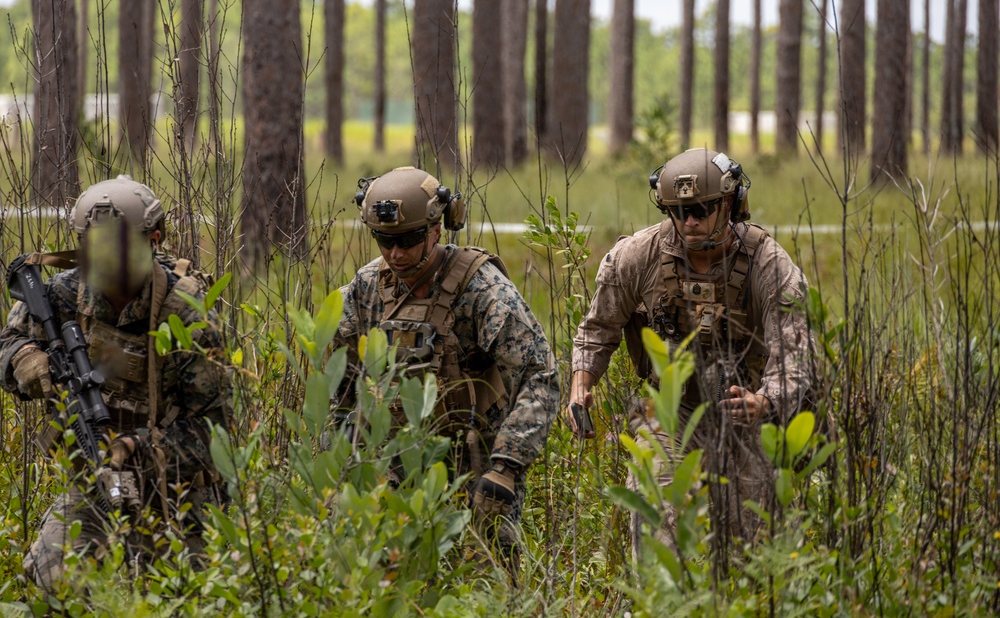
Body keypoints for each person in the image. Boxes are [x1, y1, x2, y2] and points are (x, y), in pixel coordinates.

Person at [568, 148, 814, 561]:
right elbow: (597, 330)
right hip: (672, 411)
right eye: (678, 211)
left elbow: (795, 353)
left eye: (702, 209)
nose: (690, 222)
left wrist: (766, 401)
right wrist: (579, 388)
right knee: (660, 522)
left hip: (746, 412)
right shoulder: (639, 255)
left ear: (730, 204)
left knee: (751, 546)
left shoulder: (768, 264)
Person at [0, 175, 232, 589]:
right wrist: (25, 359)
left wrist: (134, 447)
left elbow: (213, 436)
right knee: (54, 576)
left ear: (154, 239)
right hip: (93, 481)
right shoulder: (65, 293)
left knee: (195, 592)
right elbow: (9, 341)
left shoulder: (190, 314)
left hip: (179, 490)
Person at [333, 166, 559, 564]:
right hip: (394, 461)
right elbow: (341, 377)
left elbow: (539, 378)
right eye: (384, 241)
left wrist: (506, 467)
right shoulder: (367, 288)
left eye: (407, 240)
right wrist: (344, 453)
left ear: (436, 230)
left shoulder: (483, 288)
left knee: (487, 576)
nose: (395, 254)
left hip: (476, 462)